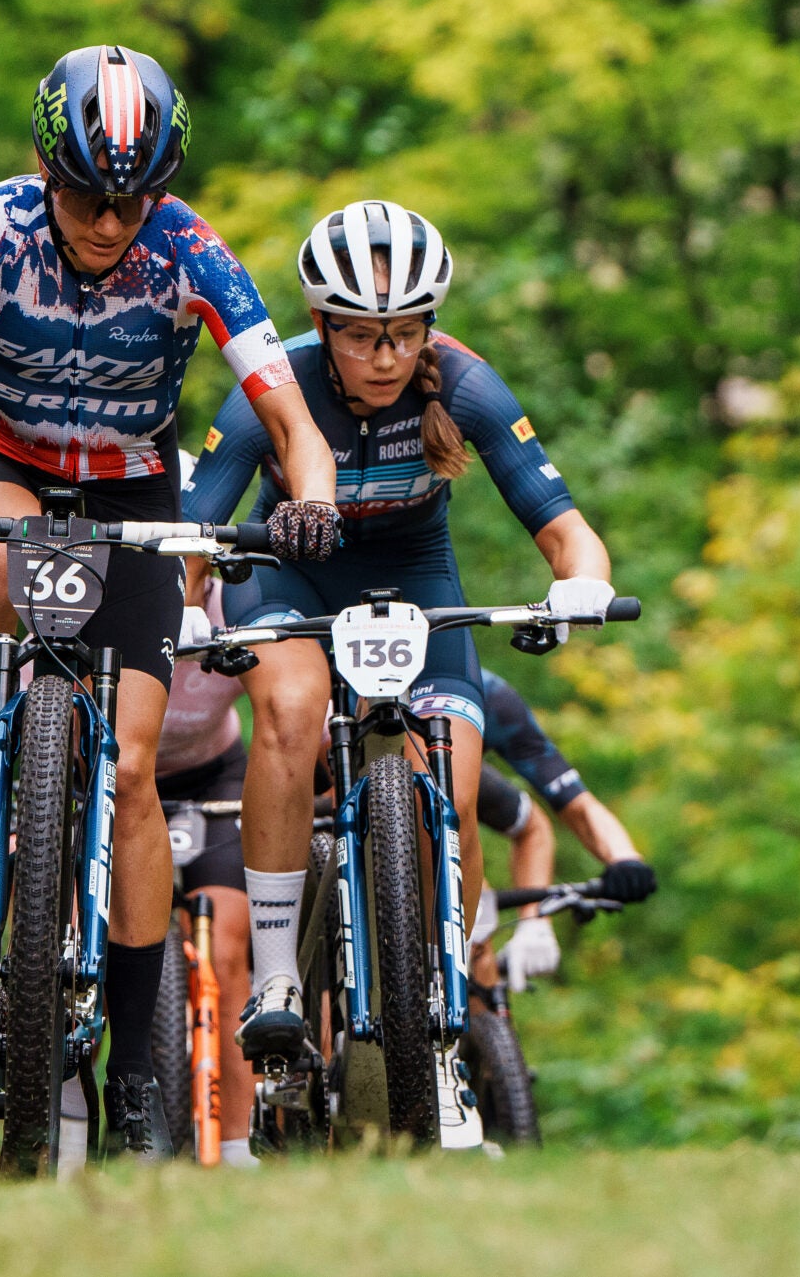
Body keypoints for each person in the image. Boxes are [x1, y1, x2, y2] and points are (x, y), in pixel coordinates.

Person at [0, 44, 342, 1157]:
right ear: (49, 173)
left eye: (131, 201)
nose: (109, 221)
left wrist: (316, 499)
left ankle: (136, 1059)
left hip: (136, 485)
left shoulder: (187, 245)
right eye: (90, 198)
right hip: (11, 466)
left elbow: (287, 414)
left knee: (133, 769)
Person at [181, 199, 619, 1147]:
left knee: (455, 791)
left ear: (427, 328)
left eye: (402, 334)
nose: (383, 355)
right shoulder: (277, 383)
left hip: (415, 586)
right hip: (289, 577)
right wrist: (185, 602)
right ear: (322, 326)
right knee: (291, 713)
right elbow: (198, 521)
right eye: (360, 335)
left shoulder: (466, 385)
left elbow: (565, 526)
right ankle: (276, 969)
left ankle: (444, 1025)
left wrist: (580, 586)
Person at [468, 668, 656, 994]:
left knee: (475, 938)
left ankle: (486, 1024)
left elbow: (577, 804)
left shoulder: (486, 694)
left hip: (447, 792)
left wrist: (625, 858)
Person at [161, 575, 255, 1167]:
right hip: (108, 773)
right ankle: (67, 1131)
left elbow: (285, 696)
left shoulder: (234, 601)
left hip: (213, 779)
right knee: (85, 958)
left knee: (223, 955)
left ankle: (237, 1145)